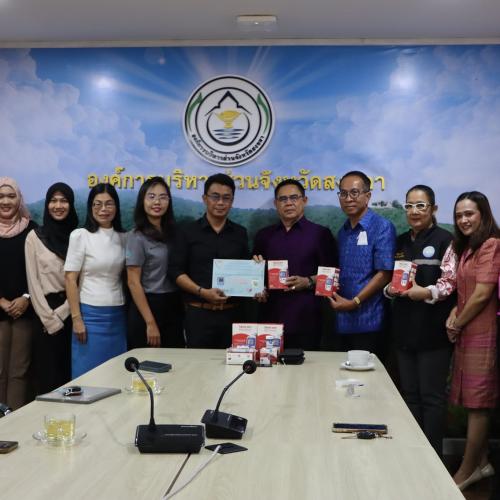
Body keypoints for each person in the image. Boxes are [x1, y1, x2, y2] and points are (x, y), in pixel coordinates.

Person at [384, 185, 454, 456]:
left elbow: (450, 283)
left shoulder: (446, 240)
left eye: (421, 206)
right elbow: (391, 280)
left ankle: (433, 459)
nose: (414, 211)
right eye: (409, 206)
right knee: (410, 397)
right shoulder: (401, 241)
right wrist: (390, 290)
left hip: (433, 333)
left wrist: (424, 292)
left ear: (433, 209)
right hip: (404, 331)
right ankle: (413, 457)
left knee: (432, 399)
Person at [445, 191, 500, 491]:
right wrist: (454, 313)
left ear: (483, 214)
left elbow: (482, 294)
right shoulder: (467, 247)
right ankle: (481, 462)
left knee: (478, 404)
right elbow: (464, 291)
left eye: (469, 213)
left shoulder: (492, 244)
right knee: (470, 401)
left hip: (483, 332)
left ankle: (466, 471)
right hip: (468, 330)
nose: (463, 220)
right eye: (459, 215)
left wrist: (458, 322)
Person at [253, 179, 338, 350]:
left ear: (304, 201)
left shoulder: (320, 234)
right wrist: (256, 287)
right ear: (276, 204)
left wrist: (307, 281)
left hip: (307, 320)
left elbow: (333, 278)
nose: (289, 203)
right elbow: (254, 273)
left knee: (305, 366)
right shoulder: (264, 236)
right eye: (283, 199)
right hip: (270, 319)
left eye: (294, 198)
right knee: (268, 366)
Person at [168, 173, 249, 348]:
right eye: (215, 196)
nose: (220, 202)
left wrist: (255, 284)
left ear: (232, 201)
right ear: (205, 198)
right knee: (197, 364)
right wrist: (202, 292)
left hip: (233, 316)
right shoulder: (186, 232)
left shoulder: (240, 233)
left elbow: (246, 270)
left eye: (226, 198)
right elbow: (175, 271)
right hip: (198, 314)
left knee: (234, 363)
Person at [329, 170, 396, 358]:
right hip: (343, 321)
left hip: (370, 321)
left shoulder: (382, 226)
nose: (348, 198)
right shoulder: (343, 231)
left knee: (369, 374)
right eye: (343, 193)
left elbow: (385, 273)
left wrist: (355, 302)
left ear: (368, 196)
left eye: (354, 192)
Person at [65, 183, 127, 378]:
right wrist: (77, 319)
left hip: (117, 316)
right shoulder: (80, 235)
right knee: (88, 377)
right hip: (89, 317)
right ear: (91, 207)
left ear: (116, 206)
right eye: (97, 204)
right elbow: (70, 279)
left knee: (116, 376)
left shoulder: (125, 237)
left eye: (109, 204)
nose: (103, 209)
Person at [25, 182, 78, 394]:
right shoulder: (34, 237)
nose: (58, 205)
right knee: (48, 378)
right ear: (47, 204)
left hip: (74, 314)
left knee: (73, 377)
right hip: (45, 315)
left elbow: (81, 281)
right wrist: (50, 319)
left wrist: (65, 312)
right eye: (53, 201)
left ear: (71, 205)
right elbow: (33, 283)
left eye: (63, 201)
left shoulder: (78, 236)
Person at [126, 177, 184, 349]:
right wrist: (150, 323)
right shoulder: (136, 237)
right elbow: (133, 282)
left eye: (163, 197)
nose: (157, 202)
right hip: (148, 306)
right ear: (142, 201)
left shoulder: (176, 234)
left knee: (175, 361)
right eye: (151, 197)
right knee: (148, 362)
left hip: (173, 305)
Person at [0, 177, 37, 409]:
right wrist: (1, 301)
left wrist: (26, 298)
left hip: (25, 310)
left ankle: (13, 420)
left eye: (11, 196)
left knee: (19, 371)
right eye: (1, 196)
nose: (6, 201)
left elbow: (41, 271)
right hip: (0, 308)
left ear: (19, 199)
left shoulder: (33, 230)